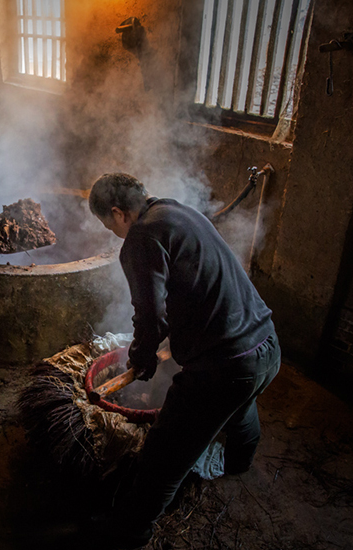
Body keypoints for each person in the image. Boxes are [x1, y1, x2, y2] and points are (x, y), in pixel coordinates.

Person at [88, 173, 281, 548]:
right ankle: (240, 463)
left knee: (164, 453)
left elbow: (150, 315)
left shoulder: (141, 237)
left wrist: (141, 358)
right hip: (266, 347)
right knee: (240, 404)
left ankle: (130, 530)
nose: (113, 233)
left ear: (118, 213)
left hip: (225, 366)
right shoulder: (176, 211)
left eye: (108, 225)